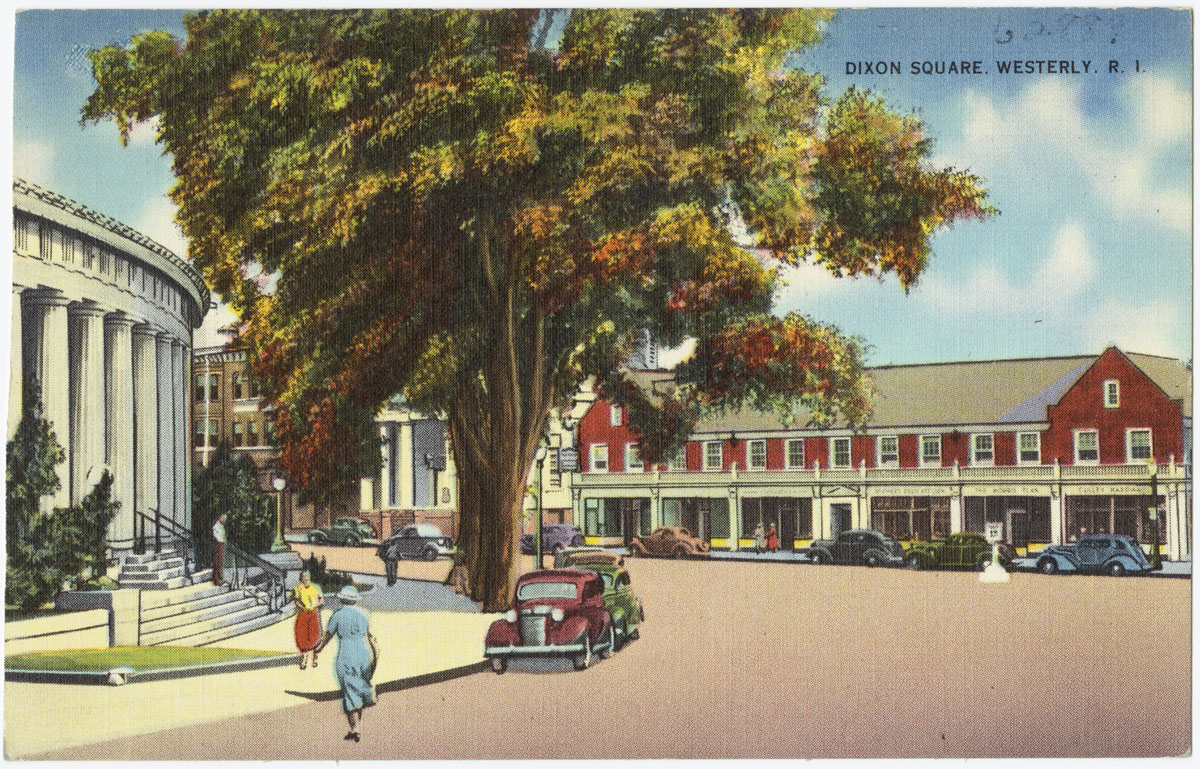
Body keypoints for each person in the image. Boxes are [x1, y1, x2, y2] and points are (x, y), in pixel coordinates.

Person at [313, 585, 379, 742]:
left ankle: (355, 726)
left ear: (342, 599)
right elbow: (370, 635)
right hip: (363, 653)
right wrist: (376, 653)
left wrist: (318, 649)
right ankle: (360, 716)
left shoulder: (337, 615)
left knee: (349, 692)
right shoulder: (364, 614)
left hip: (346, 655)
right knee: (357, 689)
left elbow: (327, 636)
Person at [293, 571, 323, 669]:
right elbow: (296, 601)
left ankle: (315, 658)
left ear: (309, 578)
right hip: (303, 614)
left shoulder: (316, 587)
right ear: (301, 579)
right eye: (303, 577)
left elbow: (321, 600)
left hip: (314, 613)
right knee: (302, 636)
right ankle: (304, 659)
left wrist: (315, 605)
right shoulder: (298, 588)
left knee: (316, 636)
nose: (305, 579)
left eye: (307, 577)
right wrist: (303, 607)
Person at [212, 514, 226, 585]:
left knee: (221, 562)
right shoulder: (216, 527)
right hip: (218, 544)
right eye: (222, 518)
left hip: (222, 544)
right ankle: (216, 579)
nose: (224, 519)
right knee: (217, 562)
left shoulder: (221, 526)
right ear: (219, 517)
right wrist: (219, 542)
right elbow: (216, 537)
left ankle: (220, 578)